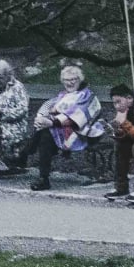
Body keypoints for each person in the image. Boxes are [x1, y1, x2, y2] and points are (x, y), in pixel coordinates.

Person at [29, 61, 108, 191]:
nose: (69, 83)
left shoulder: (87, 95)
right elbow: (51, 107)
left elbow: (79, 115)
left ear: (79, 79)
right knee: (45, 134)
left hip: (85, 132)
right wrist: (41, 117)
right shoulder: (64, 95)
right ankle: (42, 176)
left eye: (73, 79)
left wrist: (52, 122)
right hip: (65, 130)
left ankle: (28, 157)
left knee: (45, 133)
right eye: (66, 80)